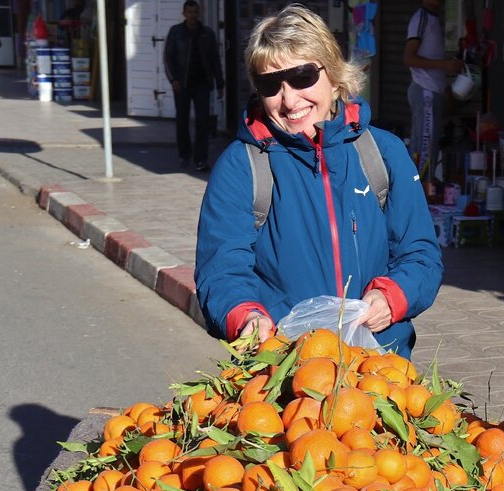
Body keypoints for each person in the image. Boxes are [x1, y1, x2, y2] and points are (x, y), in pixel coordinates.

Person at [194, 4, 442, 359]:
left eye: (302, 76)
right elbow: (221, 269)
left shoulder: (382, 153)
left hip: (379, 370)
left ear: (334, 73)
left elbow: (421, 254)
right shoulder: (242, 165)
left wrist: (393, 296)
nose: (289, 99)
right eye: (270, 84)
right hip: (282, 376)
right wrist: (246, 317)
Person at [404, 0, 463, 182]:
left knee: (428, 146)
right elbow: (409, 58)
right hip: (425, 90)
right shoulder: (421, 19)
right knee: (424, 147)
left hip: (432, 90)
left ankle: (422, 190)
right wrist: (445, 65)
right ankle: (418, 193)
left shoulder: (434, 19)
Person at [163, 0, 223, 172]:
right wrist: (173, 79)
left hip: (202, 83)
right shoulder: (175, 32)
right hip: (181, 84)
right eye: (189, 12)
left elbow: (215, 60)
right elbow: (168, 58)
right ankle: (184, 154)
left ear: (199, 13)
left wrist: (220, 83)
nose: (192, 15)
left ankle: (201, 159)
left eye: (195, 12)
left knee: (202, 122)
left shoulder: (207, 34)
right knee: (182, 120)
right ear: (184, 13)